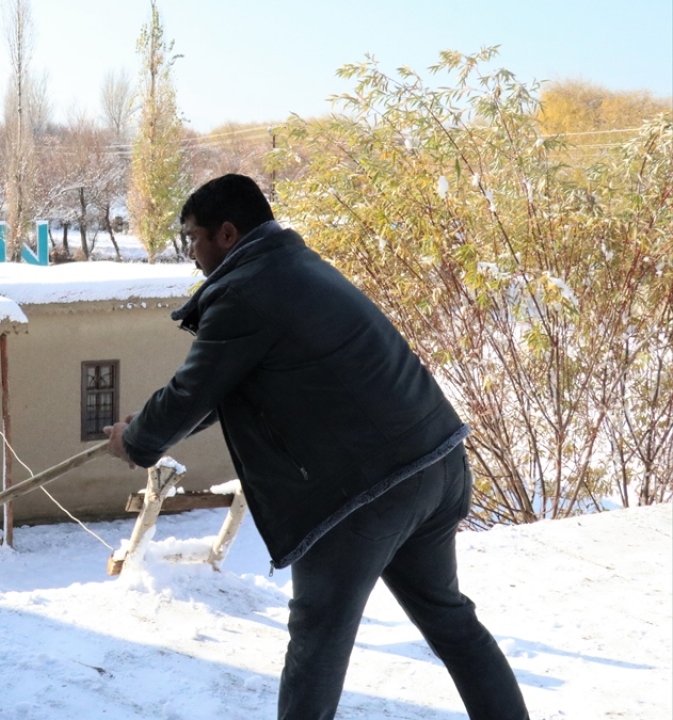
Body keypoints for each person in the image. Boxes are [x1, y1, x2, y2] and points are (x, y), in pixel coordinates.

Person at [103, 174, 528, 720]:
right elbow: (225, 386)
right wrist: (150, 430)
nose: (191, 254)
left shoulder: (246, 291)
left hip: (366, 492)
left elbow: (193, 390)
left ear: (227, 233)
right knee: (450, 620)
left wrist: (136, 441)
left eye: (193, 237)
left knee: (317, 641)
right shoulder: (293, 268)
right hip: (436, 461)